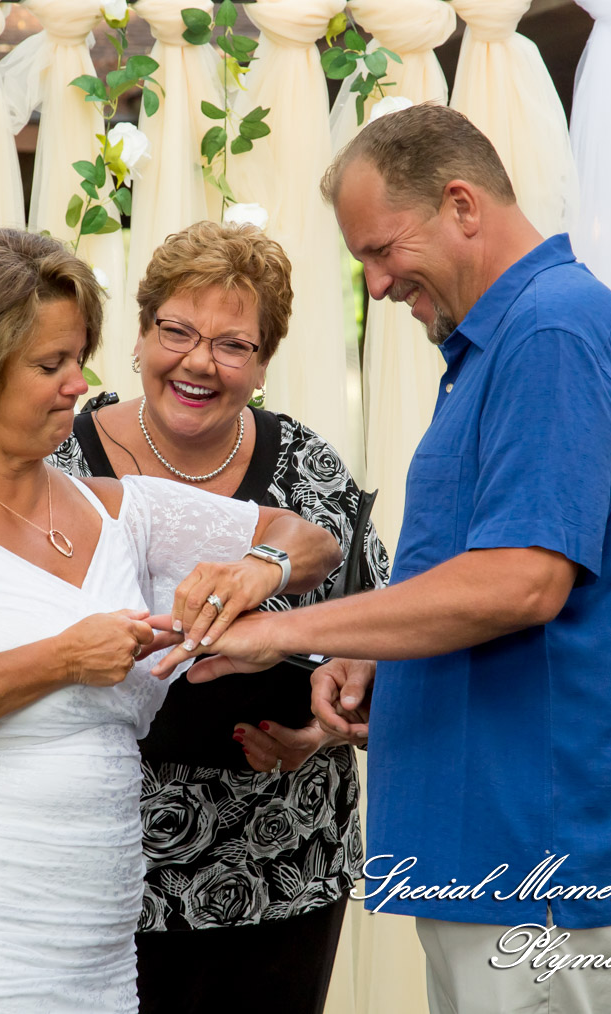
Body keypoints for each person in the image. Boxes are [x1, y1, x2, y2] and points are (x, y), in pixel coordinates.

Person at [152, 104, 611, 1014]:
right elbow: (488, 573)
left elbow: (522, 580)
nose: (375, 284)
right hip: (496, 825)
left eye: (382, 250)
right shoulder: (513, 340)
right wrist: (382, 653)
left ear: (462, 204)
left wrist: (276, 632)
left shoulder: (549, 334)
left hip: (533, 835)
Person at [0, 228, 340, 1013]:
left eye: (79, 358)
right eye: (50, 365)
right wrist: (61, 658)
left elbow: (311, 539)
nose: (78, 384)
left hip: (91, 932)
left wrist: (260, 570)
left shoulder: (123, 509)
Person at [48, 220, 390, 1014]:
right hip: (95, 858)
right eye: (178, 331)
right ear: (138, 335)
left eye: (233, 345)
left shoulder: (308, 466)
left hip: (283, 861)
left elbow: (384, 629)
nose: (199, 361)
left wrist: (322, 730)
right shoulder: (55, 458)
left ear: (263, 362)